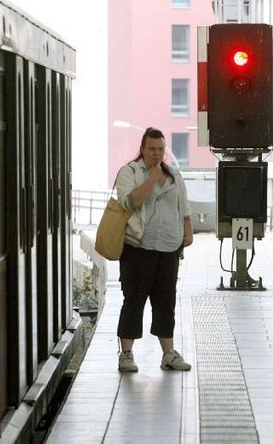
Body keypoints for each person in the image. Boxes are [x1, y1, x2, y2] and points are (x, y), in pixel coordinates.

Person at [114, 127, 193, 372]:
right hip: (138, 247)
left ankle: (168, 353)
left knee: (165, 301)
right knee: (134, 300)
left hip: (169, 247)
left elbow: (184, 207)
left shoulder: (174, 175)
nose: (156, 154)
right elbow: (129, 201)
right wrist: (151, 180)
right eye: (152, 149)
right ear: (143, 149)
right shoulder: (129, 172)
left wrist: (186, 233)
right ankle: (126, 353)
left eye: (160, 149)